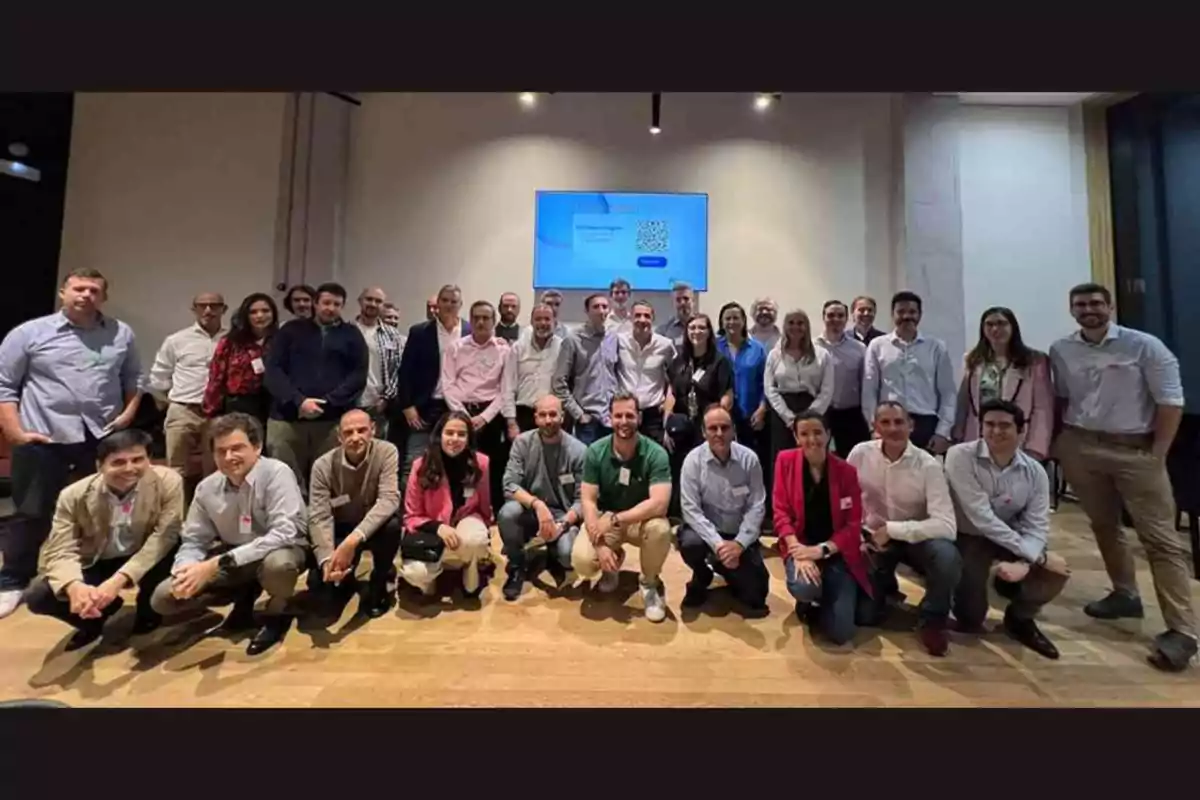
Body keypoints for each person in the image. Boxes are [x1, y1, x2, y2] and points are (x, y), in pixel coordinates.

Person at [1050, 282, 1196, 671]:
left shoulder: (1145, 347)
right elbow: (1064, 398)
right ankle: (1124, 593)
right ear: (1071, 309)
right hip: (1081, 445)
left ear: (1110, 306)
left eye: (1096, 302)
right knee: (1103, 524)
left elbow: (1171, 401)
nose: (1089, 309)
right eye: (1080, 304)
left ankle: (1182, 630)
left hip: (1135, 450)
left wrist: (1158, 454)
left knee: (1160, 540)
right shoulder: (1062, 350)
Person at [0, 268, 143, 619]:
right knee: (31, 510)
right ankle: (13, 578)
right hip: (43, 435)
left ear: (103, 297)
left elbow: (134, 379)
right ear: (63, 292)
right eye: (79, 288)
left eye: (94, 290)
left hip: (99, 437)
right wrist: (15, 433)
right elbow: (5, 386)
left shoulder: (120, 333)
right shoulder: (29, 333)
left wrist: (126, 416)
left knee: (96, 509)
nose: (86, 295)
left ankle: (85, 574)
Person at [150, 413, 309, 656]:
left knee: (279, 565)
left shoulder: (277, 473)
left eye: (237, 448)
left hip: (280, 550)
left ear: (256, 447)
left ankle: (277, 613)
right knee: (163, 597)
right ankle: (242, 597)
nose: (229, 457)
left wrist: (216, 563)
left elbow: (285, 532)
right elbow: (194, 539)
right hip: (233, 556)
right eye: (221, 451)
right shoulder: (206, 488)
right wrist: (186, 571)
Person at [24, 429, 182, 650]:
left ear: (149, 460)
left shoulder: (168, 481)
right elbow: (60, 549)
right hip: (97, 558)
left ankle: (148, 609)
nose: (129, 468)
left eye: (138, 460)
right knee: (38, 595)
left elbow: (163, 537)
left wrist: (117, 582)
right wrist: (74, 586)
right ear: (100, 466)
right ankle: (93, 620)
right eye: (118, 462)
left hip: (144, 554)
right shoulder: (73, 495)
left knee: (172, 545)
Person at [945, 400, 1068, 660]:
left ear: (1021, 431)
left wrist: (1026, 560)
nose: (995, 431)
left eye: (1004, 425)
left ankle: (1020, 618)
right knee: (971, 618)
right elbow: (981, 518)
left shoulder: (1035, 472)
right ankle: (991, 586)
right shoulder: (959, 456)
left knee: (1057, 570)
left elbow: (1037, 525)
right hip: (968, 536)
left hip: (1009, 537)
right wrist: (1035, 556)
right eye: (989, 424)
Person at [847, 402, 961, 656]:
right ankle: (885, 587)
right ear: (875, 426)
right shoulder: (859, 454)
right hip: (873, 540)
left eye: (899, 422)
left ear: (911, 426)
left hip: (917, 539)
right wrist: (856, 535)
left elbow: (947, 525)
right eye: (885, 422)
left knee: (947, 556)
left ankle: (934, 618)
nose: (893, 428)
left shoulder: (929, 465)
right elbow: (845, 501)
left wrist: (894, 530)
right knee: (865, 617)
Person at [572, 392, 673, 623]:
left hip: (640, 521)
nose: (624, 421)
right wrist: (599, 545)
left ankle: (650, 584)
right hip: (607, 519)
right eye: (618, 416)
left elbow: (659, 503)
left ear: (639, 417)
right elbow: (588, 500)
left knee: (661, 529)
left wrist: (617, 519)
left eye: (629, 415)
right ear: (610, 418)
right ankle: (611, 565)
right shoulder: (595, 451)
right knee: (582, 560)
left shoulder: (656, 453)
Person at [774, 410, 873, 644]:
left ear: (828, 435)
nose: (812, 439)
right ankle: (813, 598)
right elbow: (780, 513)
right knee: (804, 587)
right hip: (800, 546)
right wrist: (798, 551)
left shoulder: (846, 471)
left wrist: (822, 551)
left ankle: (829, 596)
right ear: (796, 438)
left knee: (842, 633)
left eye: (818, 432)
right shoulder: (785, 461)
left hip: (836, 551)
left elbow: (853, 524)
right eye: (804, 434)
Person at [264, 281, 369, 494]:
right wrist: (299, 400)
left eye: (337, 304)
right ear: (316, 303)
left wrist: (329, 401)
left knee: (326, 482)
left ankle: (318, 525)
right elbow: (273, 369)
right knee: (284, 480)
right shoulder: (291, 331)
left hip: (330, 420)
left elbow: (358, 375)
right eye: (326, 303)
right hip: (287, 419)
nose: (331, 308)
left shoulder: (352, 335)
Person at [307, 409, 402, 619]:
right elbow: (319, 516)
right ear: (339, 437)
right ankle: (343, 579)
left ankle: (379, 579)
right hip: (341, 527)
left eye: (362, 430)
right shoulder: (322, 466)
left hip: (372, 529)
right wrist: (326, 560)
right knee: (320, 592)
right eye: (348, 433)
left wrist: (352, 542)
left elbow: (389, 499)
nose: (356, 437)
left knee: (393, 526)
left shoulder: (387, 452)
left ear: (373, 431)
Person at [678, 405, 769, 616]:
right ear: (703, 432)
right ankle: (702, 575)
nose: (719, 433)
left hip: (739, 537)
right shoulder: (692, 461)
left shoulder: (749, 459)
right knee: (689, 543)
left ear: (733, 429)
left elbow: (757, 506)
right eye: (712, 428)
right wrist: (719, 545)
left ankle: (724, 568)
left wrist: (739, 544)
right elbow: (690, 510)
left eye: (724, 427)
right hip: (707, 537)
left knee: (756, 597)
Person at [498, 395, 586, 600]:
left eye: (553, 414)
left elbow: (582, 500)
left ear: (562, 417)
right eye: (543, 415)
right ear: (535, 418)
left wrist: (562, 525)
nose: (548, 420)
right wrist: (537, 505)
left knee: (567, 555)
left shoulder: (579, 451)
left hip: (563, 517)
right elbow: (509, 485)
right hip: (530, 510)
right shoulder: (522, 443)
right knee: (508, 513)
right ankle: (517, 564)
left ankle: (554, 554)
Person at [400, 411, 494, 600]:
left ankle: (471, 567)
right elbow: (411, 516)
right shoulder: (421, 466)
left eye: (461, 434)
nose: (455, 439)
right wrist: (439, 528)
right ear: (439, 435)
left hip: (466, 518)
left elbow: (484, 504)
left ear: (469, 438)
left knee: (476, 540)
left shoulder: (481, 463)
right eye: (449, 433)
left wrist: (485, 535)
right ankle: (430, 576)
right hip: (430, 524)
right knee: (416, 572)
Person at [148, 292, 227, 500]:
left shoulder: (231, 340)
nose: (208, 310)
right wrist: (176, 399)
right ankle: (176, 520)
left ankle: (208, 520)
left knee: (215, 470)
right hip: (182, 410)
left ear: (223, 310)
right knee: (176, 470)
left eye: (214, 305)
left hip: (217, 413)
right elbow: (159, 376)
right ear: (194, 310)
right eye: (202, 306)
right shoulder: (176, 340)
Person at [393, 284, 470, 491]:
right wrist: (407, 405)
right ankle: (407, 518)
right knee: (415, 462)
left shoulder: (470, 331)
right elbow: (406, 371)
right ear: (438, 304)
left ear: (460, 305)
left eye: (454, 301)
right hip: (425, 407)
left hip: (457, 408)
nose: (448, 305)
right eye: (444, 300)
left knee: (456, 463)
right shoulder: (419, 332)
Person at [953, 306, 1053, 462]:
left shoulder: (1034, 361)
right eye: (989, 324)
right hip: (979, 438)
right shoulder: (973, 360)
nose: (995, 329)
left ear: (1013, 327)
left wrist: (1036, 447)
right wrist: (958, 435)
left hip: (1019, 439)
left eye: (1001, 323)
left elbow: (1043, 408)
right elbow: (964, 403)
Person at [861, 291, 956, 453]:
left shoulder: (936, 347)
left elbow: (948, 392)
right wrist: (873, 428)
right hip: (888, 422)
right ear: (892, 314)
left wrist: (942, 432)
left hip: (925, 424)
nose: (907, 316)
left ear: (920, 315)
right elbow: (870, 390)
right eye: (901, 312)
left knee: (923, 475)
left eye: (912, 312)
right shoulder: (877, 346)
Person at [441, 300, 511, 504]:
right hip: (460, 412)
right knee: (459, 463)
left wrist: (484, 417)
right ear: (469, 321)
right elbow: (448, 384)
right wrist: (464, 417)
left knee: (491, 466)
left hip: (490, 416)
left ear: (494, 321)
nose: (481, 322)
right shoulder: (455, 348)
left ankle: (489, 509)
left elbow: (505, 389)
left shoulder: (504, 350)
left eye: (486, 318)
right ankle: (457, 507)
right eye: (476, 318)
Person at [664, 313, 733, 517]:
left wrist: (718, 426)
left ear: (709, 332)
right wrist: (667, 424)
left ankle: (707, 515)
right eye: (692, 327)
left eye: (702, 328)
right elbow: (671, 393)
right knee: (682, 470)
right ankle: (681, 515)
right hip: (683, 427)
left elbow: (727, 395)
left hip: (707, 428)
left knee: (707, 472)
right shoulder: (679, 361)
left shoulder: (720, 362)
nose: (696, 332)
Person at [764, 308, 834, 481]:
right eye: (791, 323)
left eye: (800, 323)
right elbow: (769, 388)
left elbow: (827, 389)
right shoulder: (774, 355)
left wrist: (810, 417)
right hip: (782, 413)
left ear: (807, 326)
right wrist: (789, 418)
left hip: (813, 409)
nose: (796, 327)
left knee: (814, 459)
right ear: (785, 326)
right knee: (783, 462)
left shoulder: (822, 354)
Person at [203, 292, 278, 427]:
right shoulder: (230, 342)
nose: (259, 316)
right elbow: (216, 378)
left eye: (265, 311)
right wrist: (211, 411)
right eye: (253, 312)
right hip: (239, 404)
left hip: (272, 405)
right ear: (245, 316)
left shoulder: (281, 340)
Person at [554, 293, 619, 445]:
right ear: (587, 311)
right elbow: (558, 382)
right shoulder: (573, 340)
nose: (601, 311)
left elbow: (616, 374)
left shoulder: (613, 338)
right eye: (596, 307)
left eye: (604, 307)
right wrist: (578, 414)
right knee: (587, 467)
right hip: (587, 420)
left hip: (610, 418)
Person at [616, 300, 676, 442]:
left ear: (652, 319)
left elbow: (675, 379)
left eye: (647, 316)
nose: (642, 320)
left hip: (653, 415)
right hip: (626, 412)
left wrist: (667, 408)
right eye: (637, 315)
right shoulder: (619, 341)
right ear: (631, 318)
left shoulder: (665, 345)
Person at [816, 300, 870, 457]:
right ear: (823, 317)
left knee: (850, 459)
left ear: (847, 319)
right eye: (831, 315)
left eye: (840, 315)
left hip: (850, 415)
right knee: (820, 459)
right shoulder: (812, 347)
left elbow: (865, 383)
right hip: (821, 413)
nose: (835, 319)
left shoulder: (859, 348)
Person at [716, 302, 768, 453]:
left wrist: (762, 409)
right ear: (721, 322)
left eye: (736, 318)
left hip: (750, 415)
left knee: (749, 458)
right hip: (721, 415)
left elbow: (766, 382)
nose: (732, 322)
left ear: (744, 321)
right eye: (728, 318)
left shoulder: (757, 349)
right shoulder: (714, 347)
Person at [502, 304, 562, 435]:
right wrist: (511, 423)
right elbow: (508, 386)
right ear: (531, 322)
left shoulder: (563, 348)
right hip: (523, 414)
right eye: (538, 319)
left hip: (551, 415)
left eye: (547, 319)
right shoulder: (518, 348)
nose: (542, 323)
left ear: (555, 322)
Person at [353, 286, 404, 439]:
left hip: (378, 405)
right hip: (349, 402)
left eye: (378, 301)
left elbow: (397, 369)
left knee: (376, 450)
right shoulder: (346, 330)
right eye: (369, 299)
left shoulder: (392, 334)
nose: (373, 304)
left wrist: (386, 398)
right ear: (360, 301)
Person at [656, 281, 695, 347]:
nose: (682, 303)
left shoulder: (703, 327)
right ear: (674, 303)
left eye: (686, 299)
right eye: (678, 300)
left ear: (693, 301)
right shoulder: (663, 331)